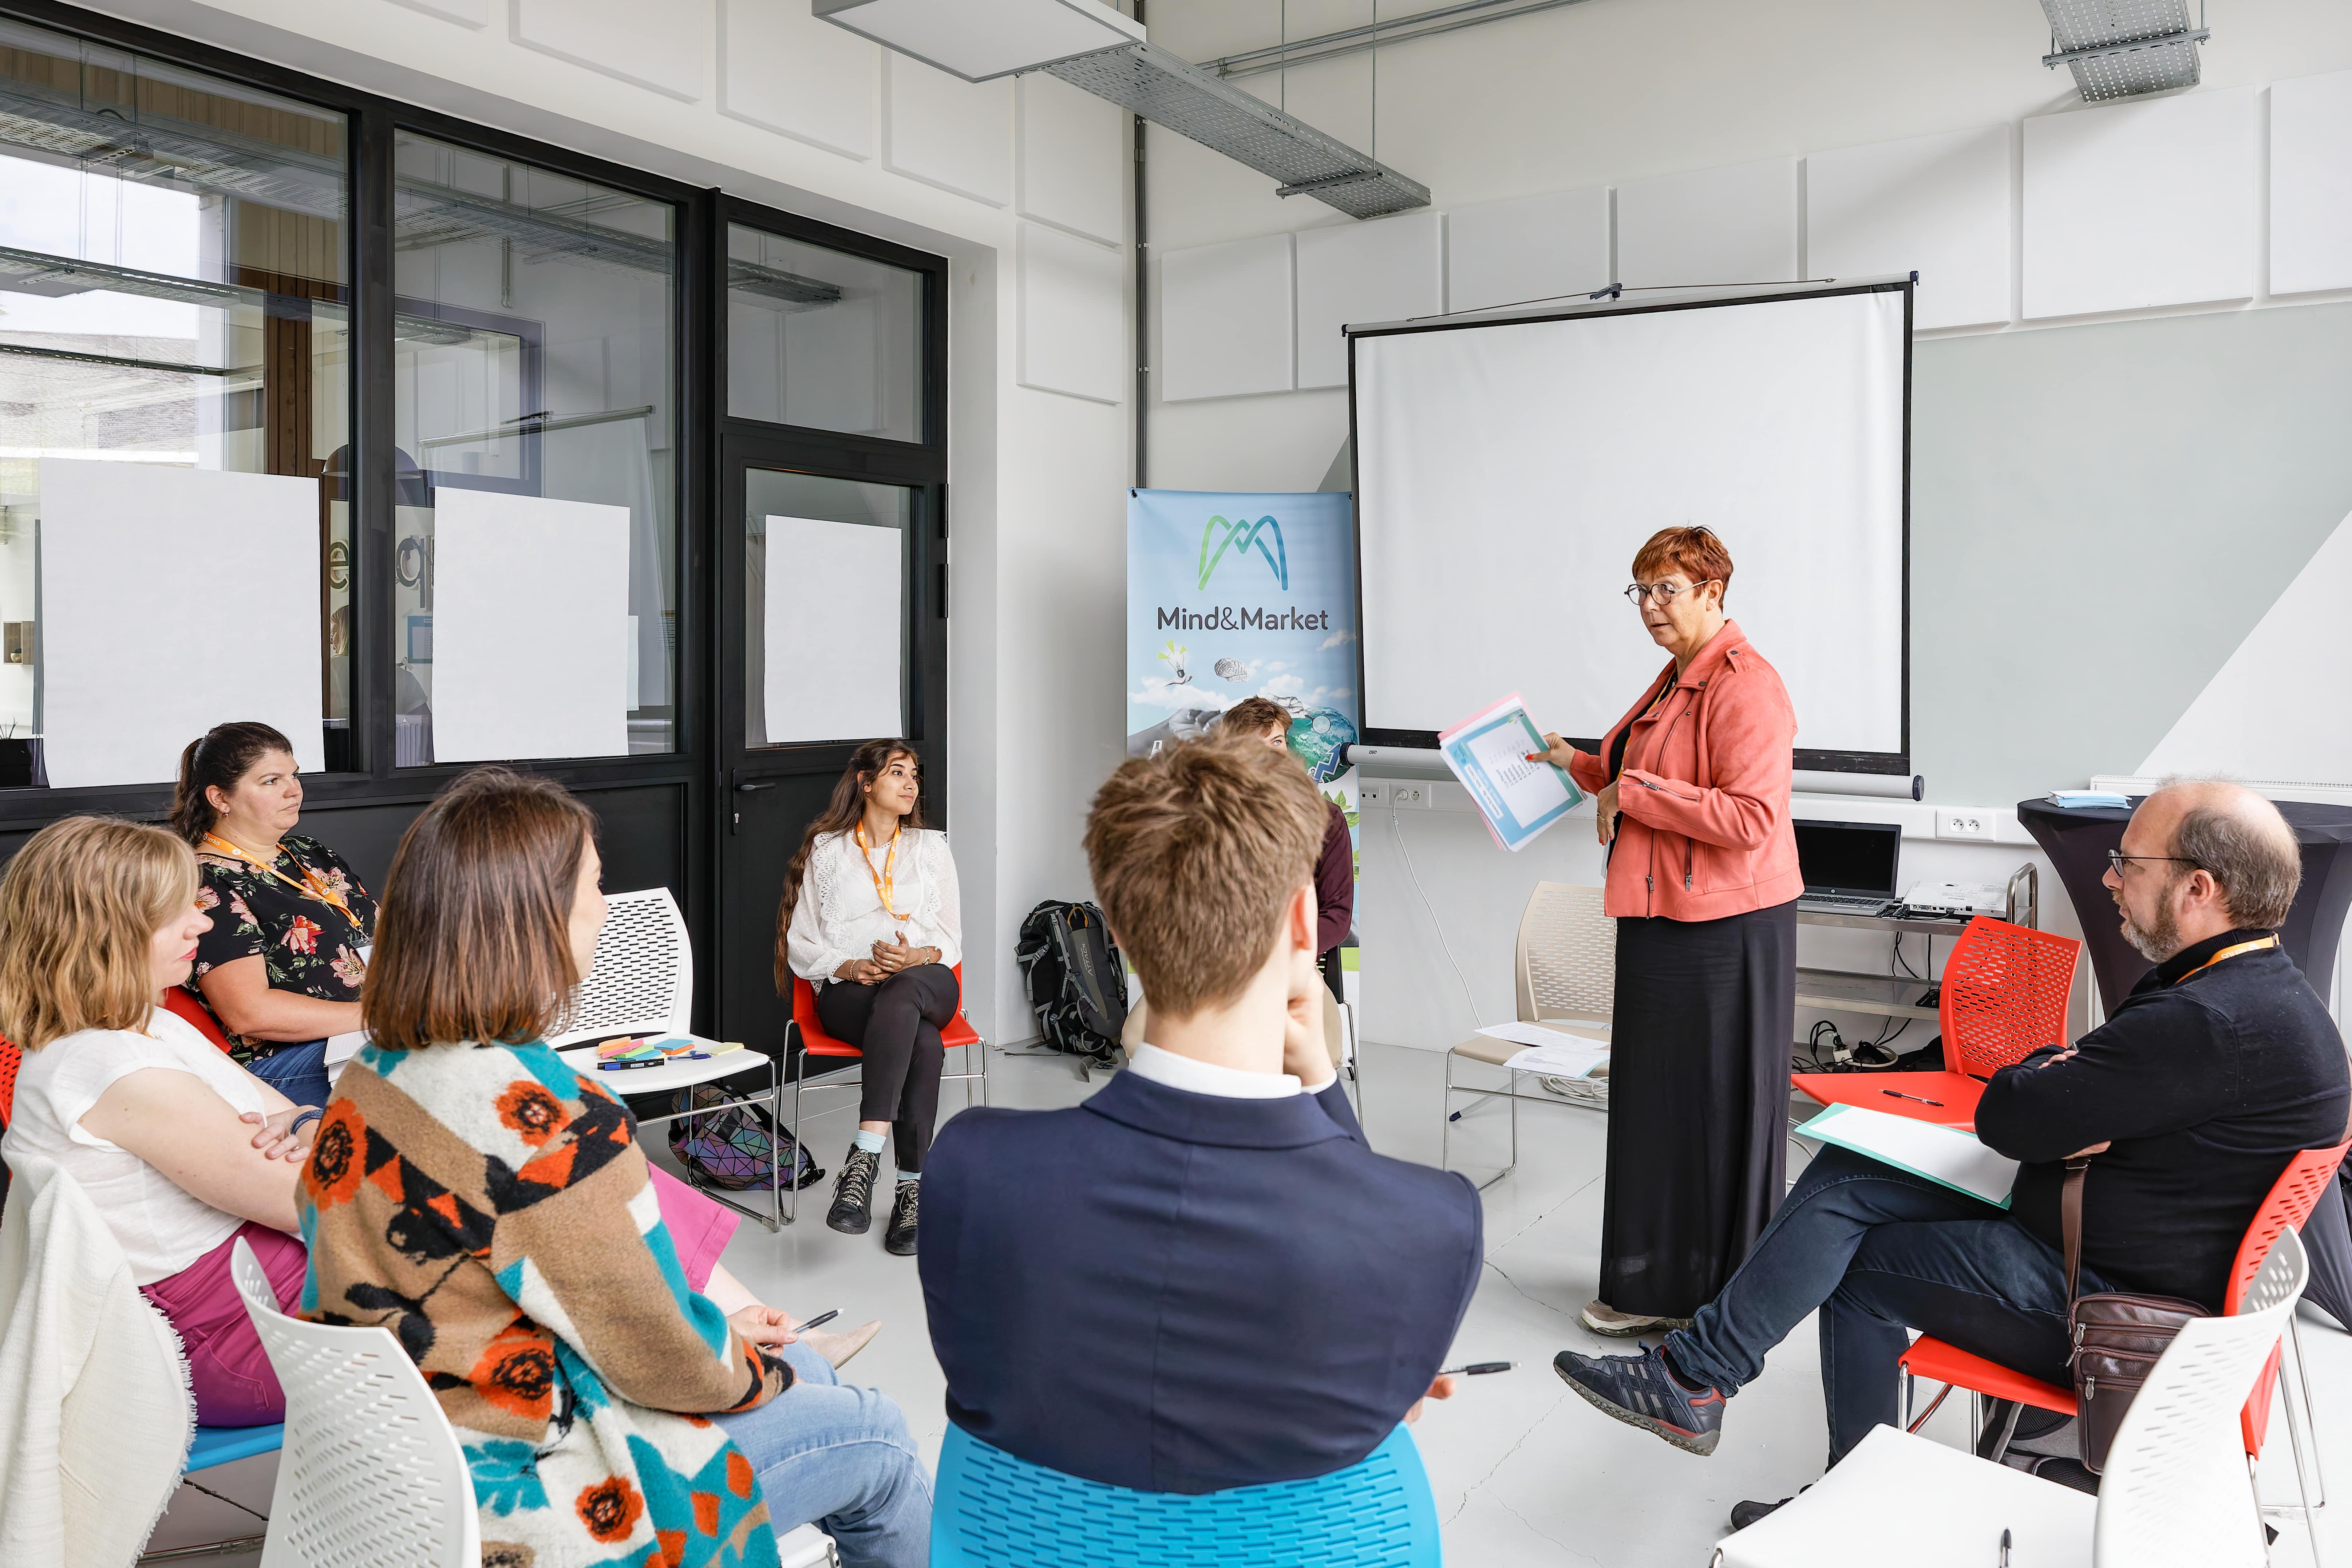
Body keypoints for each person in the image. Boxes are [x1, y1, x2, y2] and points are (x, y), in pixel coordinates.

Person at [1551, 780, 2351, 1524]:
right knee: (1849, 1170)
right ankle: (1694, 1376)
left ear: (2197, 888)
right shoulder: (2258, 992)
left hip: (2114, 1313)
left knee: (1854, 1266)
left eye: (2126, 862)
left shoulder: (2202, 1022)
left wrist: (2049, 1078)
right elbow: (2061, 1092)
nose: (2110, 878)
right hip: (2119, 1249)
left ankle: (1839, 1505)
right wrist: (2060, 1082)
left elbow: (2013, 1113)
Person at [305, 766, 928, 1568]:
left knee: (799, 1364)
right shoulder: (546, 1117)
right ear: (541, 918)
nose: (604, 908)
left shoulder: (369, 1079)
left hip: (403, 1472)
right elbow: (659, 1357)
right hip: (546, 1498)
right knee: (874, 1430)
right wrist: (731, 1358)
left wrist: (732, 1348)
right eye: (597, 886)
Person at [918, 736, 1482, 1493]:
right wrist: (1322, 1080)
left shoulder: (971, 1166)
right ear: (1302, 925)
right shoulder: (1430, 1224)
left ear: (1114, 926)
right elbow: (1355, 1226)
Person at [1526, 525, 1800, 1338]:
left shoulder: (1746, 684)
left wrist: (1633, 791)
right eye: (1638, 591)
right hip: (1661, 918)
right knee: (1655, 1107)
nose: (1648, 606)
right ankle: (1652, 1282)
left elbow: (1749, 817)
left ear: (1712, 591)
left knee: (1711, 1110)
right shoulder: (1672, 676)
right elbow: (1630, 774)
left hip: (1726, 927)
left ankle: (1716, 1297)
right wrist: (1570, 762)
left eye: (1665, 590)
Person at [0, 815, 318, 1426]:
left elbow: (299, 1117)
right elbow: (313, 1198)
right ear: (109, 930)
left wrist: (301, 1127)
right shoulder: (111, 1064)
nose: (202, 923)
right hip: (243, 1339)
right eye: (177, 912)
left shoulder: (140, 1025)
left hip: (265, 1303)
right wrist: (305, 1136)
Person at [779, 738, 961, 1256]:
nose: (911, 784)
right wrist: (851, 965)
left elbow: (951, 938)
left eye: (915, 775)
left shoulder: (930, 848)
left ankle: (864, 1157)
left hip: (928, 978)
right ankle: (911, 1193)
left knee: (906, 992)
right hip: (852, 993)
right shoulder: (829, 851)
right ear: (866, 782)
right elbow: (802, 942)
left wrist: (916, 955)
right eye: (897, 773)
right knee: (923, 1042)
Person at [172, 721, 375, 1111]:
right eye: (270, 780)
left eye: (294, 775)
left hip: (363, 1033)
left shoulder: (311, 852)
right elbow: (249, 1012)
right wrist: (383, 1016)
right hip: (284, 1061)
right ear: (220, 797)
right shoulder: (206, 881)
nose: (293, 789)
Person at [1224, 695, 1353, 1011]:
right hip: (1221, 962)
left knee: (1313, 1047)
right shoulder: (1213, 816)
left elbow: (1337, 916)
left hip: (1291, 962)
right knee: (1135, 1036)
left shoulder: (1326, 820)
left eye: (1277, 741)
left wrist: (1287, 955)